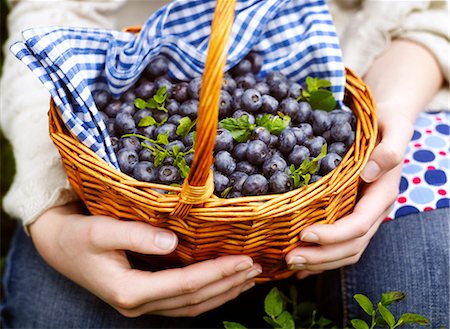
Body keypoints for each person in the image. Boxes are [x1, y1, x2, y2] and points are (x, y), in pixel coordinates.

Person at [1, 0, 448, 328]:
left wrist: (393, 115)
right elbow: (51, 17)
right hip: (130, 120)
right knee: (56, 316)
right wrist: (51, 213)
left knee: (427, 295)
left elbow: (431, 12)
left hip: (381, 78)